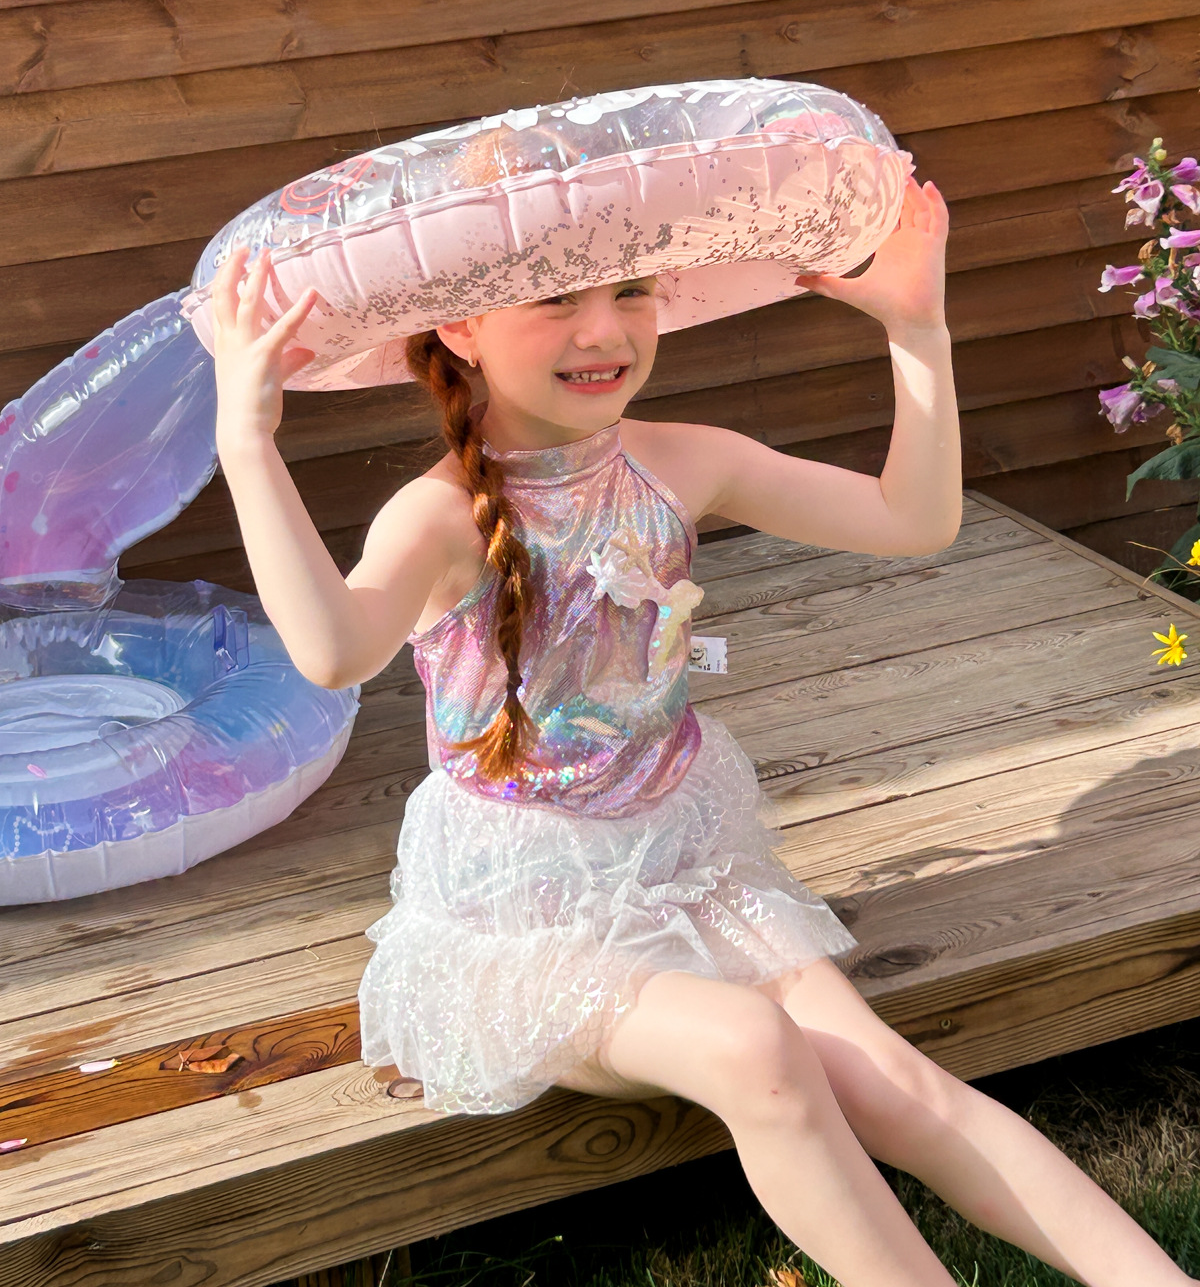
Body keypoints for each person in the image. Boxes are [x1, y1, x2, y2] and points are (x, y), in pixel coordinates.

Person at [210, 173, 1194, 1287]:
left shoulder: (681, 461)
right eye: (555, 299)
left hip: (682, 866)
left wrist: (919, 332)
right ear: (462, 328)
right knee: (756, 1049)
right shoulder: (437, 517)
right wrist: (249, 441)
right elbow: (332, 651)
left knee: (892, 1078)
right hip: (525, 923)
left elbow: (914, 519)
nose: (604, 331)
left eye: (630, 291)